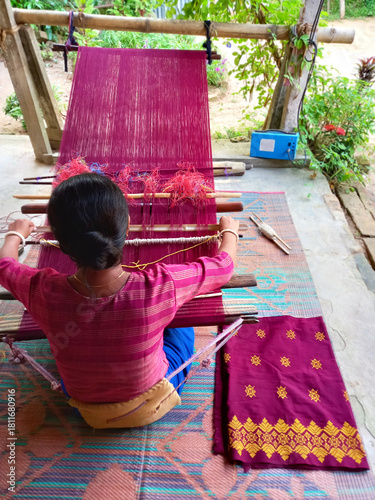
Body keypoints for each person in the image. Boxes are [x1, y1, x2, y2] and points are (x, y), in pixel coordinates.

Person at [0, 173, 239, 426]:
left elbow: (5, 266)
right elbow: (223, 267)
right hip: (153, 400)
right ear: (126, 224)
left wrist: (16, 234)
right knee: (182, 320)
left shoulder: (41, 290)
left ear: (56, 238)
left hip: (85, 408)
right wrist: (229, 232)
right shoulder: (160, 286)